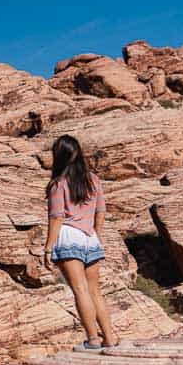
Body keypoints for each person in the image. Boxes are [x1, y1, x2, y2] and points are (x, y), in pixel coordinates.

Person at [42, 134, 119, 351]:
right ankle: (110, 338)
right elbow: (101, 210)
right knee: (95, 291)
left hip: (68, 236)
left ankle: (93, 339)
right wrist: (97, 235)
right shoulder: (93, 179)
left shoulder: (58, 184)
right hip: (90, 237)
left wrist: (48, 248)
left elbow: (57, 216)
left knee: (80, 290)